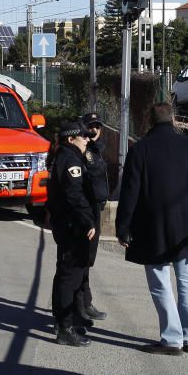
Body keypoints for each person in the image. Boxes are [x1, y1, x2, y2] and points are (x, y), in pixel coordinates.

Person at [116, 103, 188, 355]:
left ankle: (172, 339)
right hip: (186, 225)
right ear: (174, 119)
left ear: (149, 121)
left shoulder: (141, 149)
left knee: (160, 283)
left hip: (151, 227)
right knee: (187, 281)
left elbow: (130, 191)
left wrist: (123, 226)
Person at [46, 119, 99, 346]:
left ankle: (63, 322)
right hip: (73, 226)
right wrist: (88, 221)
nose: (87, 139)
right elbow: (74, 195)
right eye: (83, 136)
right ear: (71, 139)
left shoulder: (67, 156)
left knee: (67, 275)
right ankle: (65, 327)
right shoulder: (69, 160)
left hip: (67, 224)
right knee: (70, 277)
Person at [80, 111, 109, 321]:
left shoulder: (98, 149)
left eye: (97, 126)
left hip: (96, 208)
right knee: (82, 259)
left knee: (88, 259)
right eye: (90, 126)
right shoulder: (82, 150)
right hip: (86, 210)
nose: (94, 130)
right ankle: (82, 303)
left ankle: (84, 301)